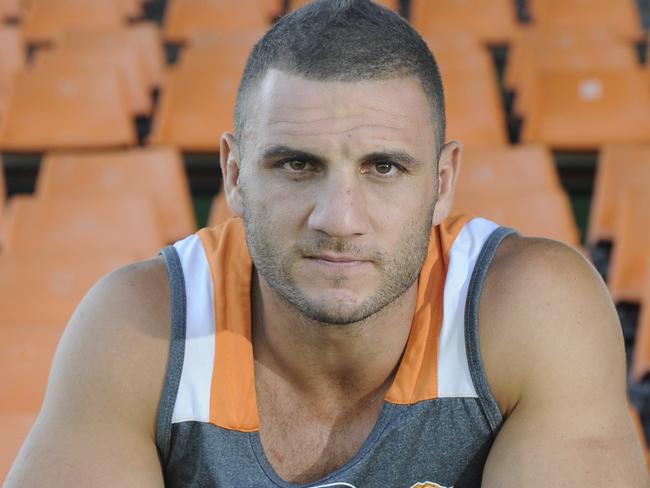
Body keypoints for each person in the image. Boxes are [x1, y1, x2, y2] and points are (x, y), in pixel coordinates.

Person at [6, 0, 650, 486]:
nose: (339, 219)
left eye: (384, 167)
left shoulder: (532, 310)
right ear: (233, 174)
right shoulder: (139, 325)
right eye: (296, 165)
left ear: (444, 181)